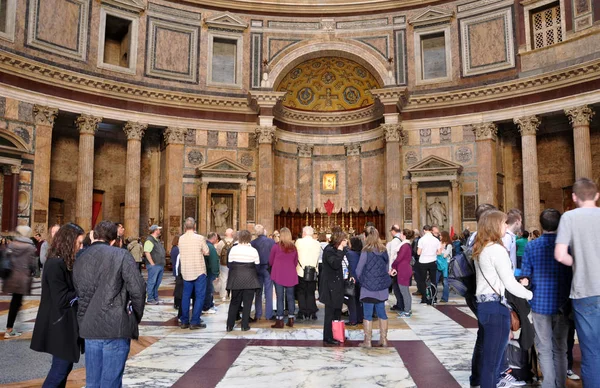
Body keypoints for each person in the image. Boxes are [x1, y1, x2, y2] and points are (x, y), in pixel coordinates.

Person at [73, 221, 146, 388]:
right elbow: (138, 289)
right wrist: (135, 316)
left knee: (92, 383)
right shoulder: (121, 255)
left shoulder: (80, 257)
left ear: (94, 235)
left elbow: (78, 292)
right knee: (111, 383)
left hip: (89, 327)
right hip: (116, 326)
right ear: (114, 240)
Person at [472, 210, 532, 388]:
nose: (506, 226)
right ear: (494, 225)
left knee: (489, 360)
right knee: (493, 364)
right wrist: (530, 294)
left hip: (484, 306)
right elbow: (509, 284)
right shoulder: (497, 250)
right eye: (504, 223)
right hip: (496, 308)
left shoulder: (481, 247)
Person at [555, 177, 600, 387]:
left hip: (585, 292)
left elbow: (560, 255)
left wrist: (579, 261)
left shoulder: (569, 217)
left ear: (574, 197)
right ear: (597, 195)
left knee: (590, 352)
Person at [519, 209, 572, 388]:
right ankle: (561, 385)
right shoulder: (568, 246)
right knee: (561, 348)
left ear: (541, 225)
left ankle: (549, 384)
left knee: (544, 348)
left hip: (540, 302)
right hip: (563, 303)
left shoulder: (531, 246)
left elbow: (526, 276)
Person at [31, 223, 85, 388]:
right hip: (59, 323)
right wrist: (83, 290)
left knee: (64, 367)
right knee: (59, 370)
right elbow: (61, 299)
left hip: (64, 322)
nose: (81, 246)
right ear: (69, 241)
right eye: (79, 243)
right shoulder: (55, 264)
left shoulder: (63, 261)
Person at [357, 226, 390, 348]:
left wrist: (362, 280)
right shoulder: (384, 250)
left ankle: (368, 341)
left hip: (368, 287)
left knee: (367, 313)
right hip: (381, 287)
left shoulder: (366, 251)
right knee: (382, 312)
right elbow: (387, 268)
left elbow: (359, 269)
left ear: (367, 237)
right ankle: (384, 339)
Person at [3, 226, 37, 338]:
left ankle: (12, 326)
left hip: (12, 277)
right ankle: (10, 329)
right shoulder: (30, 247)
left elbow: (6, 258)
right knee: (16, 302)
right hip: (22, 278)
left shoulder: (12, 244)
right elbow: (32, 265)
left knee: (16, 301)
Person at [178, 218, 209, 329]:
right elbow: (206, 252)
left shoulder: (180, 239)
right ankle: (195, 321)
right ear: (195, 226)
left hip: (186, 270)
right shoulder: (200, 238)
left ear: (185, 227)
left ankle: (184, 321)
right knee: (200, 296)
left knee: (185, 296)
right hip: (198, 270)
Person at [226, 229, 260, 331]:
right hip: (250, 280)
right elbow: (257, 266)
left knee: (234, 302)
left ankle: (229, 325)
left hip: (236, 279)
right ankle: (244, 325)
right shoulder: (253, 250)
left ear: (239, 238)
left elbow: (230, 265)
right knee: (247, 303)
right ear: (250, 238)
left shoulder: (233, 250)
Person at [319, 229, 348, 345]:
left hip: (337, 285)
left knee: (337, 311)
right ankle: (328, 336)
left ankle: (337, 334)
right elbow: (335, 264)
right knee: (330, 313)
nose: (346, 241)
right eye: (345, 239)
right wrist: (340, 252)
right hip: (330, 286)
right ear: (340, 240)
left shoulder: (338, 249)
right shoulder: (329, 250)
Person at [269, 227, 299, 328]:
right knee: (291, 298)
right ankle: (291, 319)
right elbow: (295, 262)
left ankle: (280, 320)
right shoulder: (294, 248)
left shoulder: (275, 247)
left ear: (280, 236)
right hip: (290, 274)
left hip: (278, 275)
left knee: (280, 298)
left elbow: (271, 261)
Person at [295, 226, 321, 321]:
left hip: (301, 271)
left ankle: (302, 312)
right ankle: (312, 312)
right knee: (310, 292)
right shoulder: (317, 243)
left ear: (304, 233)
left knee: (301, 292)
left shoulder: (299, 242)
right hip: (312, 271)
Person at [250, 224, 275, 321]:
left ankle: (258, 314)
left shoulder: (253, 243)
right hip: (268, 268)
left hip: (257, 269)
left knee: (258, 292)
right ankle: (269, 315)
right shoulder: (271, 242)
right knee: (269, 292)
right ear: (264, 230)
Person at [391, 229, 414, 318]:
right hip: (403, 269)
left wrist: (393, 265)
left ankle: (407, 311)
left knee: (405, 292)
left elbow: (399, 258)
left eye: (401, 233)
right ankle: (407, 310)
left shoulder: (405, 246)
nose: (399, 234)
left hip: (404, 270)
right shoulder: (405, 245)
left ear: (404, 235)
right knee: (405, 291)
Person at [416, 225, 439, 305]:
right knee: (433, 280)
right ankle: (434, 297)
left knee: (422, 281)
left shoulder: (421, 239)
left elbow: (418, 252)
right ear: (431, 230)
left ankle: (424, 298)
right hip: (433, 261)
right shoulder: (436, 240)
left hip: (423, 261)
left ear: (424, 230)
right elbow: (439, 252)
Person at [144, 225, 166, 305]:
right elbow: (147, 252)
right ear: (155, 230)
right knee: (152, 282)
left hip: (159, 264)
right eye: (158, 229)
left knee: (157, 282)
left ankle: (155, 297)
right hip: (154, 265)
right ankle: (150, 298)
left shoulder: (157, 240)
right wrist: (152, 263)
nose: (160, 231)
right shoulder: (149, 240)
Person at [345, 236, 363, 326]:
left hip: (353, 279)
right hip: (361, 279)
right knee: (359, 300)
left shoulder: (350, 254)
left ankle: (353, 320)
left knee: (352, 301)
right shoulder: (362, 253)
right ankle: (360, 318)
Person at [386, 224, 404, 312]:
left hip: (395, 267)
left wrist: (390, 268)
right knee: (398, 286)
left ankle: (400, 304)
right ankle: (400, 303)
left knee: (396, 287)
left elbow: (392, 255)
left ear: (393, 231)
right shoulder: (400, 239)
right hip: (400, 266)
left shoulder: (395, 241)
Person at [203, 232, 220, 315]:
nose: (217, 240)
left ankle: (210, 304)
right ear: (213, 238)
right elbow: (214, 261)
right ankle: (206, 307)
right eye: (216, 238)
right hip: (209, 272)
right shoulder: (211, 247)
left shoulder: (206, 245)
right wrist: (216, 273)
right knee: (209, 289)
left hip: (206, 271)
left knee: (209, 289)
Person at [217, 228, 234, 301]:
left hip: (223, 263)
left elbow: (218, 252)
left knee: (223, 279)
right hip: (233, 263)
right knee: (233, 278)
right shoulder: (235, 241)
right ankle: (231, 295)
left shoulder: (221, 242)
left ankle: (223, 295)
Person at [437, 230, 452, 303]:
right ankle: (433, 296)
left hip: (446, 264)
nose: (439, 237)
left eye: (441, 235)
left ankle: (445, 297)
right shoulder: (439, 243)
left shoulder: (448, 245)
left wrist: (440, 252)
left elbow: (445, 255)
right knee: (434, 280)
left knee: (445, 282)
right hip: (438, 263)